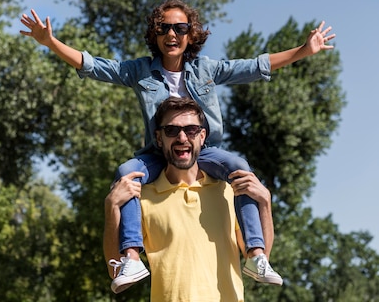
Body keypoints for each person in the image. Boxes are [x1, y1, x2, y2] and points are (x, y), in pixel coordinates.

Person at [20, 0, 335, 292]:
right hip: (158, 151)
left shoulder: (206, 70)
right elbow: (94, 66)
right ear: (155, 34)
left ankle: (255, 254)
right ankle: (131, 258)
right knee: (127, 171)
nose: (172, 34)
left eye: (180, 28)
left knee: (240, 168)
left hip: (205, 149)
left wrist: (303, 51)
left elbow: (255, 66)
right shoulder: (140, 71)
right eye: (164, 28)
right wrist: (50, 42)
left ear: (190, 34)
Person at [104, 97, 275, 301]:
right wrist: (112, 207)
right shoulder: (142, 197)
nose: (182, 137)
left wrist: (265, 202)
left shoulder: (230, 191)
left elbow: (257, 257)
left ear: (202, 136)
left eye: (191, 130)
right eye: (172, 130)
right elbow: (116, 271)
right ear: (159, 138)